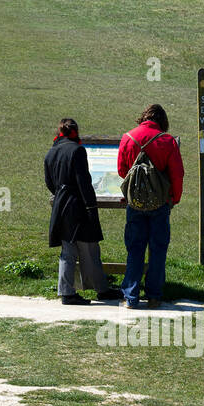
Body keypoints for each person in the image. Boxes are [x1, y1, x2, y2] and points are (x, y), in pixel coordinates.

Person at [46, 118, 121, 305]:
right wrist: (91, 207)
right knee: (90, 248)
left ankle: (66, 292)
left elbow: (49, 182)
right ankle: (101, 289)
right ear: (76, 132)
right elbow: (83, 181)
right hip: (77, 205)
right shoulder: (77, 150)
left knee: (68, 251)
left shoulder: (51, 151)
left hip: (60, 204)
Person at [117, 104, 185, 309]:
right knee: (158, 249)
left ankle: (130, 296)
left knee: (135, 249)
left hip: (135, 203)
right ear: (162, 121)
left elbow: (122, 170)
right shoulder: (167, 141)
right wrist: (174, 198)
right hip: (160, 203)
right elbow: (177, 174)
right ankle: (154, 296)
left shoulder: (128, 137)